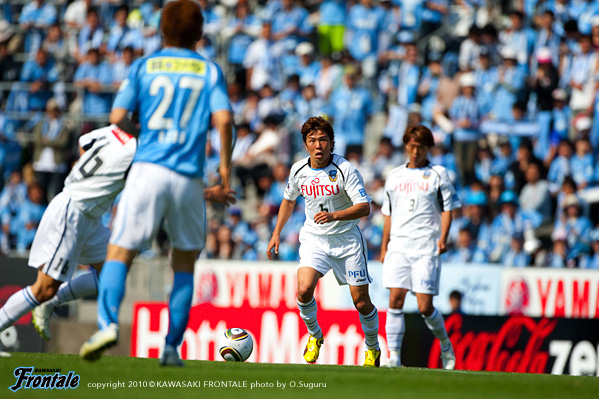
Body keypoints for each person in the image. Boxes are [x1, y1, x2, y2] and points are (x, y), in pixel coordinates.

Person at [80, 0, 233, 367]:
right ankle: (170, 347)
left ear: (162, 30)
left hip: (148, 169)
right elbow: (225, 121)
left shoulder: (143, 66)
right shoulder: (209, 70)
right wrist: (225, 169)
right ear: (199, 33)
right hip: (188, 178)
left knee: (120, 253)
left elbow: (117, 117)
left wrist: (146, 132)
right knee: (183, 262)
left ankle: (107, 324)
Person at [0, 124, 234, 343]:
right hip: (73, 212)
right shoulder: (139, 152)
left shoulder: (113, 131)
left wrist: (92, 176)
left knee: (113, 272)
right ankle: (37, 305)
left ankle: (51, 302)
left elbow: (84, 142)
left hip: (89, 217)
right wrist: (210, 194)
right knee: (43, 288)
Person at [266, 116, 381, 367]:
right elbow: (288, 200)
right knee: (304, 289)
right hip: (315, 238)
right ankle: (315, 335)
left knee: (361, 301)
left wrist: (334, 216)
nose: (318, 145)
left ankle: (372, 346)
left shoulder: (345, 169)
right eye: (312, 140)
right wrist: (276, 233)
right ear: (305, 144)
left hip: (347, 239)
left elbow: (364, 208)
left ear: (331, 143)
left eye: (323, 140)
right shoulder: (298, 170)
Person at [380, 124, 460, 369]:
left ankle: (446, 346)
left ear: (428, 148)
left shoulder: (438, 174)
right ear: (406, 145)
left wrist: (443, 237)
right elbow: (388, 214)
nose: (415, 152)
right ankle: (393, 356)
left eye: (421, 147)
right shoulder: (394, 176)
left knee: (425, 307)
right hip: (399, 247)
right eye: (412, 146)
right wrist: (384, 246)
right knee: (395, 299)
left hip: (426, 248)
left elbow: (448, 209)